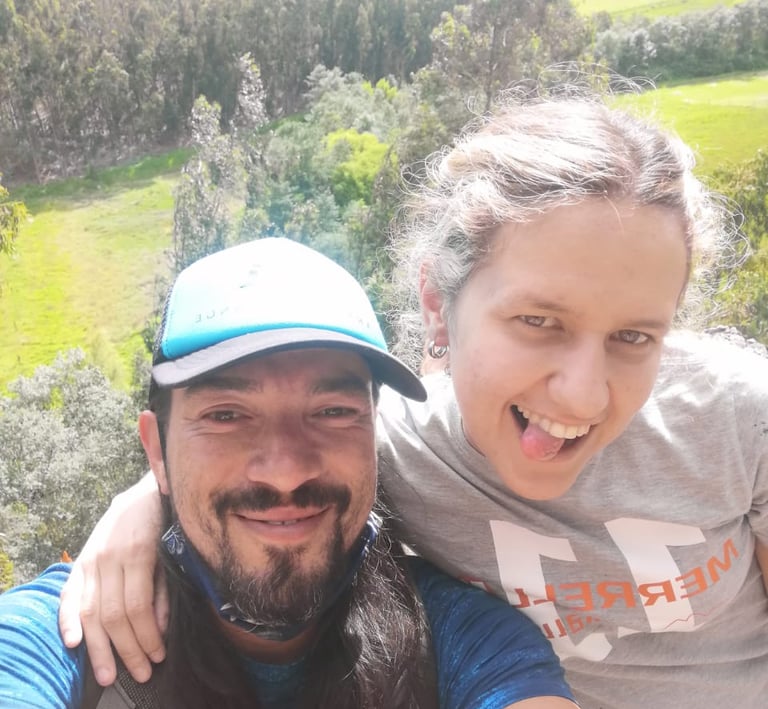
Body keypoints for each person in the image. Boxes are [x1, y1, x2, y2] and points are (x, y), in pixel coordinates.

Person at [58, 90, 768, 708]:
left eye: (635, 337)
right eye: (538, 322)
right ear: (437, 305)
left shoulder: (739, 423)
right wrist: (140, 507)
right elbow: (253, 455)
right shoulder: (391, 445)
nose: (583, 392)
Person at [0, 238, 577, 709]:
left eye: (331, 412)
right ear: (157, 452)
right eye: (226, 415)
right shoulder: (56, 634)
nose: (285, 470)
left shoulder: (465, 641)